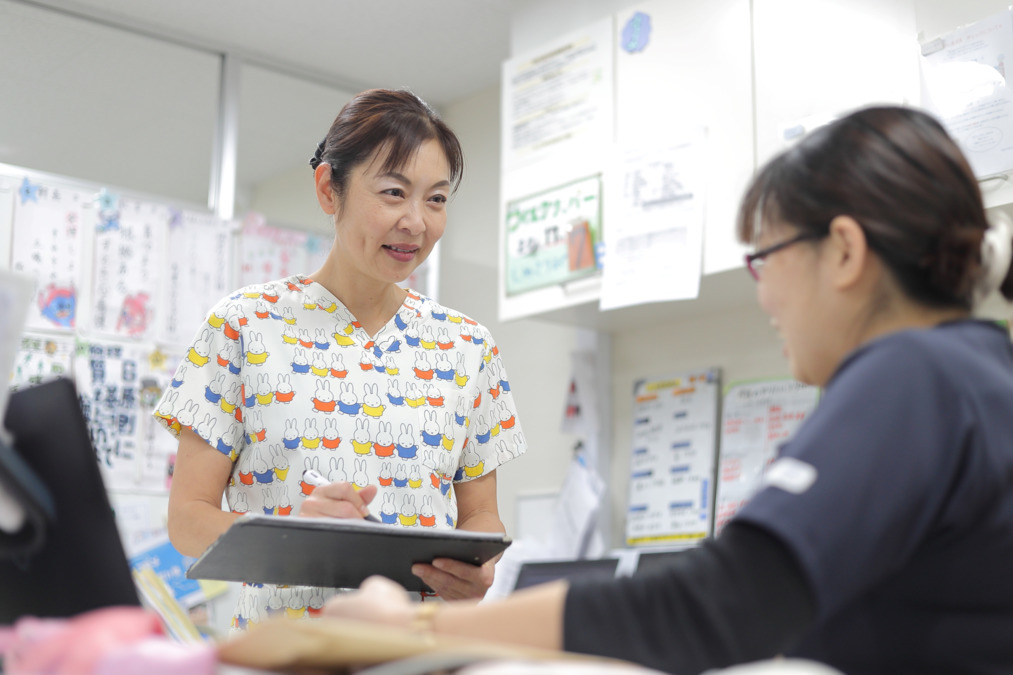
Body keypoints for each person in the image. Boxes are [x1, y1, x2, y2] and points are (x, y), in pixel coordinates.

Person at [320, 105, 1013, 674]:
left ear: (844, 250)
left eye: (764, 258)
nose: (764, 292)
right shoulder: (980, 374)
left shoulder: (914, 376)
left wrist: (417, 627)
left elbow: (725, 599)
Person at [154, 88, 527, 629]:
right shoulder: (244, 325)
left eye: (437, 199)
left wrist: (476, 566)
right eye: (394, 193)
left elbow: (479, 513)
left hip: (417, 655)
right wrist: (289, 536)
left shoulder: (468, 347)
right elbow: (187, 519)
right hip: (282, 656)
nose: (416, 223)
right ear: (330, 189)